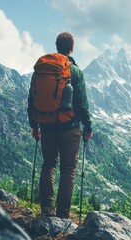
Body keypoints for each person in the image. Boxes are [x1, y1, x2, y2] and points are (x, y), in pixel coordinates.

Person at [27, 32, 93, 218]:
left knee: (48, 164)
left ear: (57, 47)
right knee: (68, 170)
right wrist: (88, 128)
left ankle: (46, 209)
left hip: (46, 124)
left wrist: (34, 125)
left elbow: (31, 100)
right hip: (69, 127)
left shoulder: (41, 70)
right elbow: (82, 104)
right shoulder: (74, 71)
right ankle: (63, 214)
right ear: (72, 48)